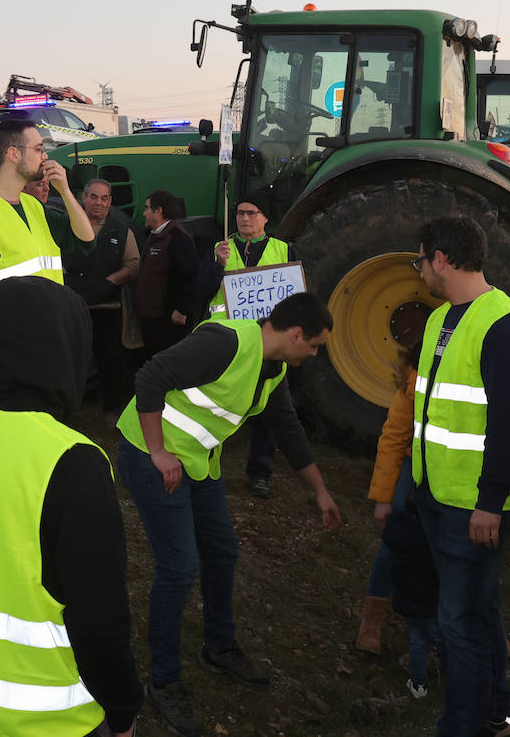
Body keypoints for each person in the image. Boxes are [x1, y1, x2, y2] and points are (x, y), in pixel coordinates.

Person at [0, 277, 142, 737]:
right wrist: (123, 709)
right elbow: (100, 615)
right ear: (66, 351)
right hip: (55, 720)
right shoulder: (73, 460)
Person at [115, 292, 342, 737]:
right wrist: (159, 451)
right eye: (314, 345)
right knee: (179, 567)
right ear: (296, 334)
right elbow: (150, 376)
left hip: (197, 462)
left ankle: (218, 647)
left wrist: (320, 491)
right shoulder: (226, 342)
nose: (314, 354)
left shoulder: (273, 368)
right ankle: (163, 681)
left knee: (221, 550)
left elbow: (287, 428)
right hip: (151, 457)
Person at [409, 216, 510, 737]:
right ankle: (493, 713)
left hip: (474, 505)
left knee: (459, 622)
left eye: (420, 259)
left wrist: (490, 501)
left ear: (441, 258)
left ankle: (461, 725)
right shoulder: (444, 319)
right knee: (477, 612)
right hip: (440, 493)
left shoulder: (504, 325)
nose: (418, 269)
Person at [0, 116, 95, 390]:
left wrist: (65, 191)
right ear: (13, 154)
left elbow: (86, 241)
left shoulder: (34, 206)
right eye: (38, 149)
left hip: (49, 348)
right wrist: (9, 351)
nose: (45, 156)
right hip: (8, 359)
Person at [192, 190, 294, 497]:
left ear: (265, 218)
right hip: (227, 340)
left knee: (266, 408)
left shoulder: (282, 249)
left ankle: (260, 473)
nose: (244, 218)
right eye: (240, 213)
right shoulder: (219, 248)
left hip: (266, 344)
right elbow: (201, 290)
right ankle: (207, 462)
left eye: (251, 213)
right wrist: (217, 266)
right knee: (217, 402)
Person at [358, 339, 423, 655]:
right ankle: (371, 621)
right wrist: (383, 499)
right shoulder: (414, 381)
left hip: (460, 472)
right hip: (416, 467)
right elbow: (394, 437)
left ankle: (483, 621)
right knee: (394, 543)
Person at [63, 178, 140, 422]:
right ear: (83, 198)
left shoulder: (121, 230)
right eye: (94, 197)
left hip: (108, 307)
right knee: (70, 359)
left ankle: (112, 407)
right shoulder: (67, 226)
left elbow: (134, 264)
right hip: (73, 307)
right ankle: (67, 405)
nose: (99, 202)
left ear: (110, 201)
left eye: (104, 198)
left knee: (110, 360)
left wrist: (113, 281)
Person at [382, 487, 443, 701]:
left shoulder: (398, 532)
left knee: (417, 642)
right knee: (442, 640)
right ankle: (457, 680)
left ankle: (418, 685)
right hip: (430, 602)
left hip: (406, 601)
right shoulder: (429, 537)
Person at [136, 189, 199, 360]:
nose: (144, 213)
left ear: (159, 211)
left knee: (167, 364)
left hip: (167, 320)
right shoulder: (153, 236)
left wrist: (182, 309)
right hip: (151, 318)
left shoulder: (178, 238)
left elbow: (192, 276)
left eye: (147, 208)